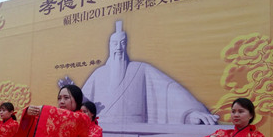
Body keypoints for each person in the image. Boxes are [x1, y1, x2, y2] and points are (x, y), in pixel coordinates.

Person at [81, 20, 218, 125]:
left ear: (126, 45)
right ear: (110, 46)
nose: (119, 48)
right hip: (102, 131)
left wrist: (190, 113)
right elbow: (81, 100)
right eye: (115, 44)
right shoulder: (98, 74)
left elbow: (168, 90)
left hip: (137, 130)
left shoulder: (141, 69)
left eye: (122, 43)